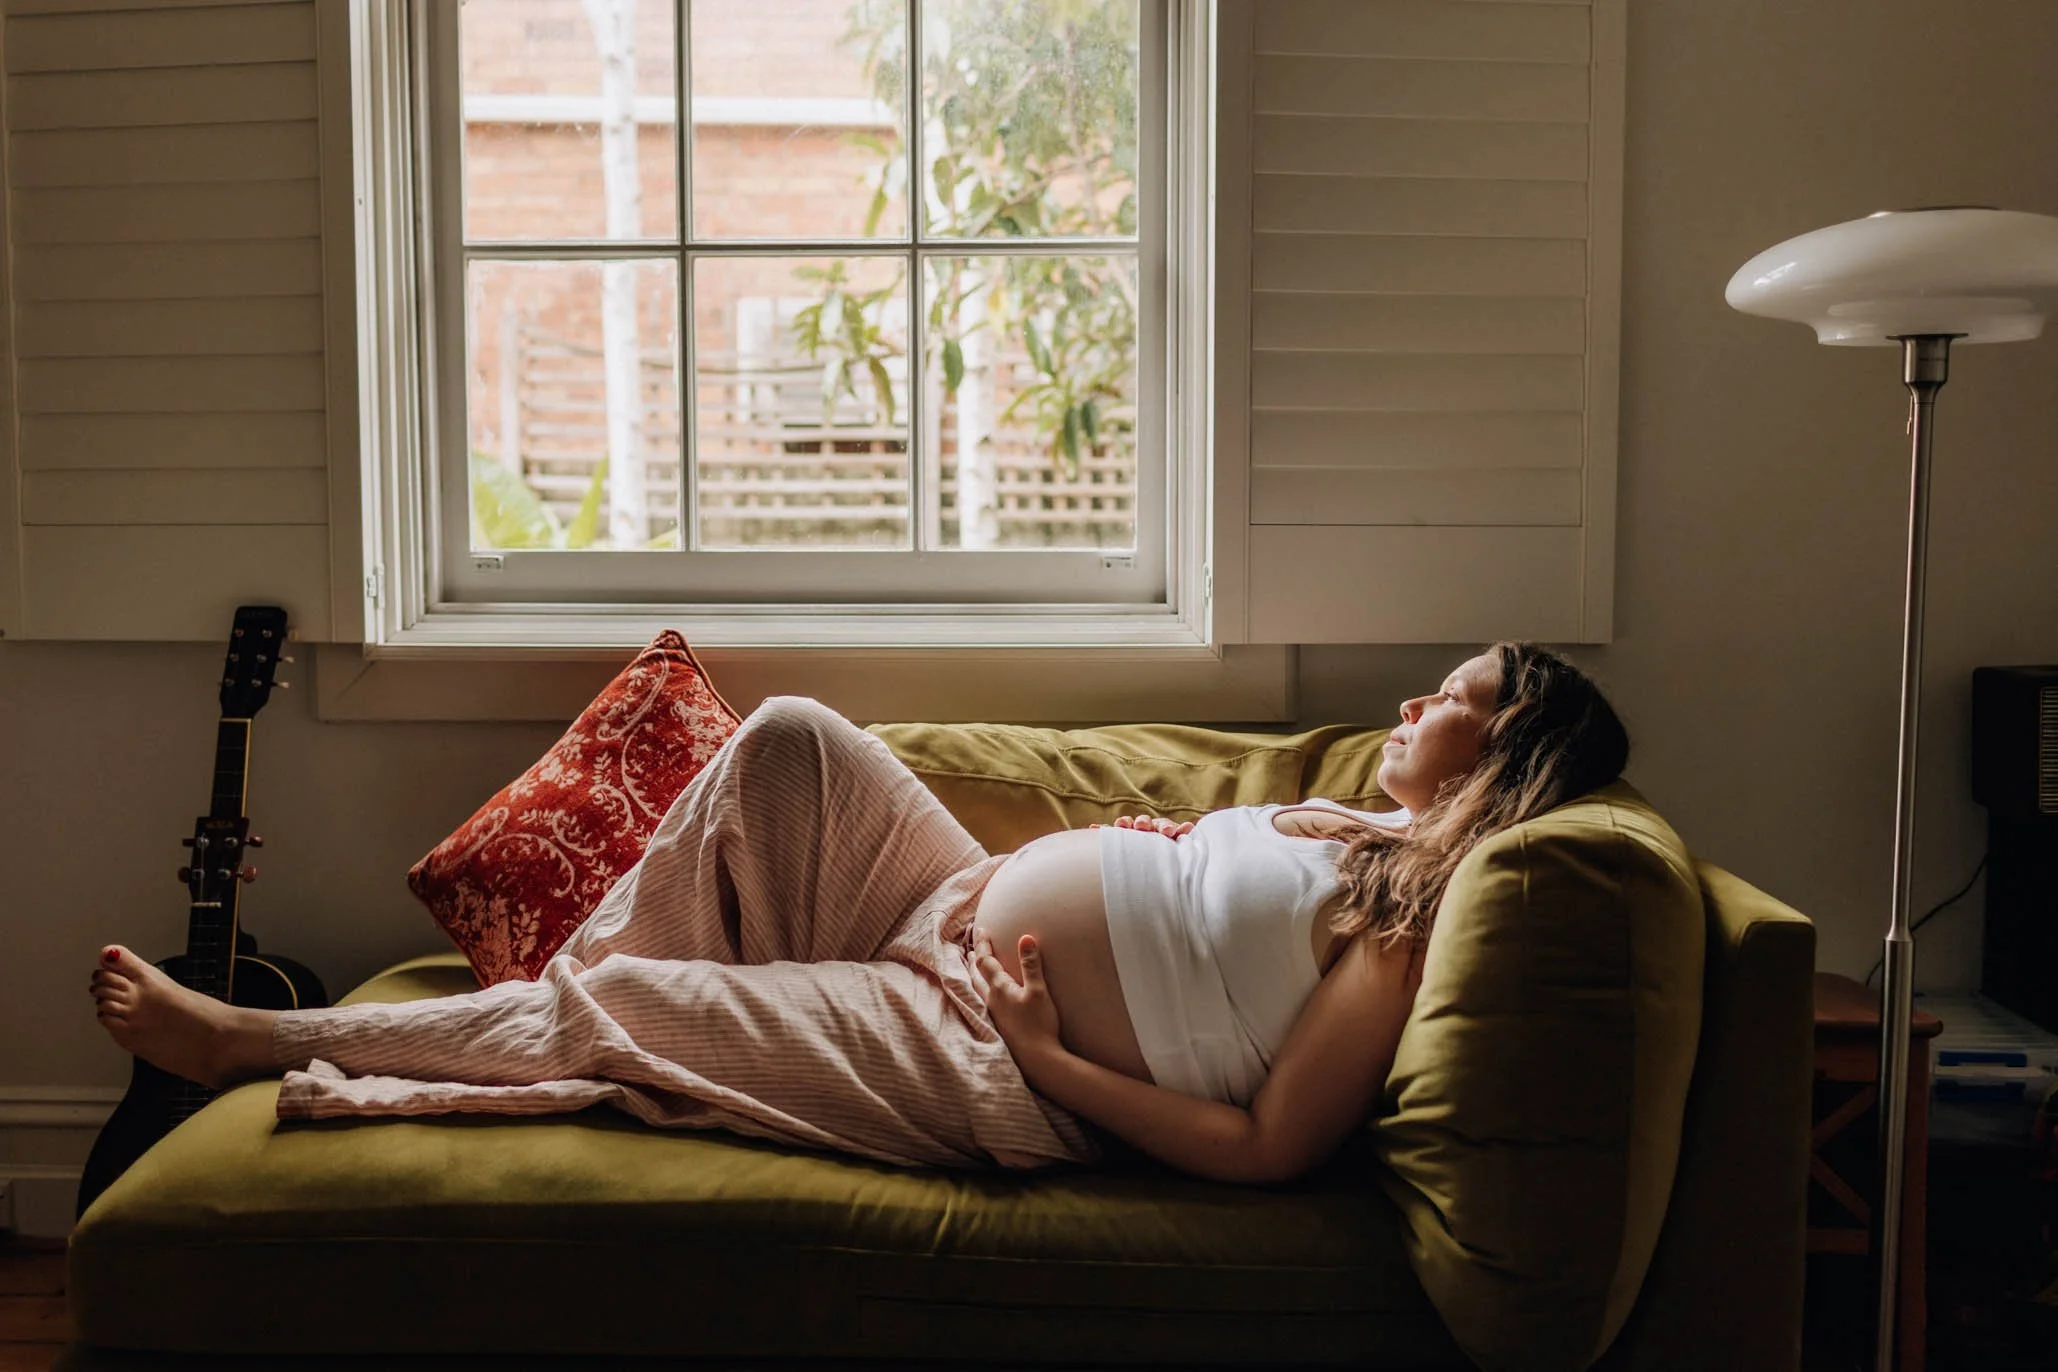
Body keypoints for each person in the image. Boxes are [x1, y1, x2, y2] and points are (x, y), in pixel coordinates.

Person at [89, 641, 1628, 1185]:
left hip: (995, 1058)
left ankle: (251, 1040)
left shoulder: (1418, 917)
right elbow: (1197, 914)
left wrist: (1050, 1044)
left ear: (1506, 753)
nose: (1417, 699)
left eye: (1456, 697)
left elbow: (1269, 1150)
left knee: (641, 1006)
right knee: (793, 743)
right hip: (953, 914)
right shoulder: (1348, 811)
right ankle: (560, 1028)